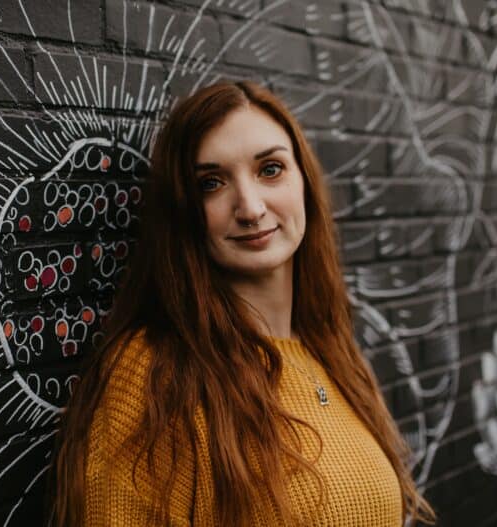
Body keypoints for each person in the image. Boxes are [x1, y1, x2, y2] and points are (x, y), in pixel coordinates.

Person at [51, 81, 436, 526]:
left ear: (304, 183)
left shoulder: (330, 352)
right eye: (211, 183)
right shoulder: (154, 374)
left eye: (270, 169)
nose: (250, 207)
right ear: (185, 213)